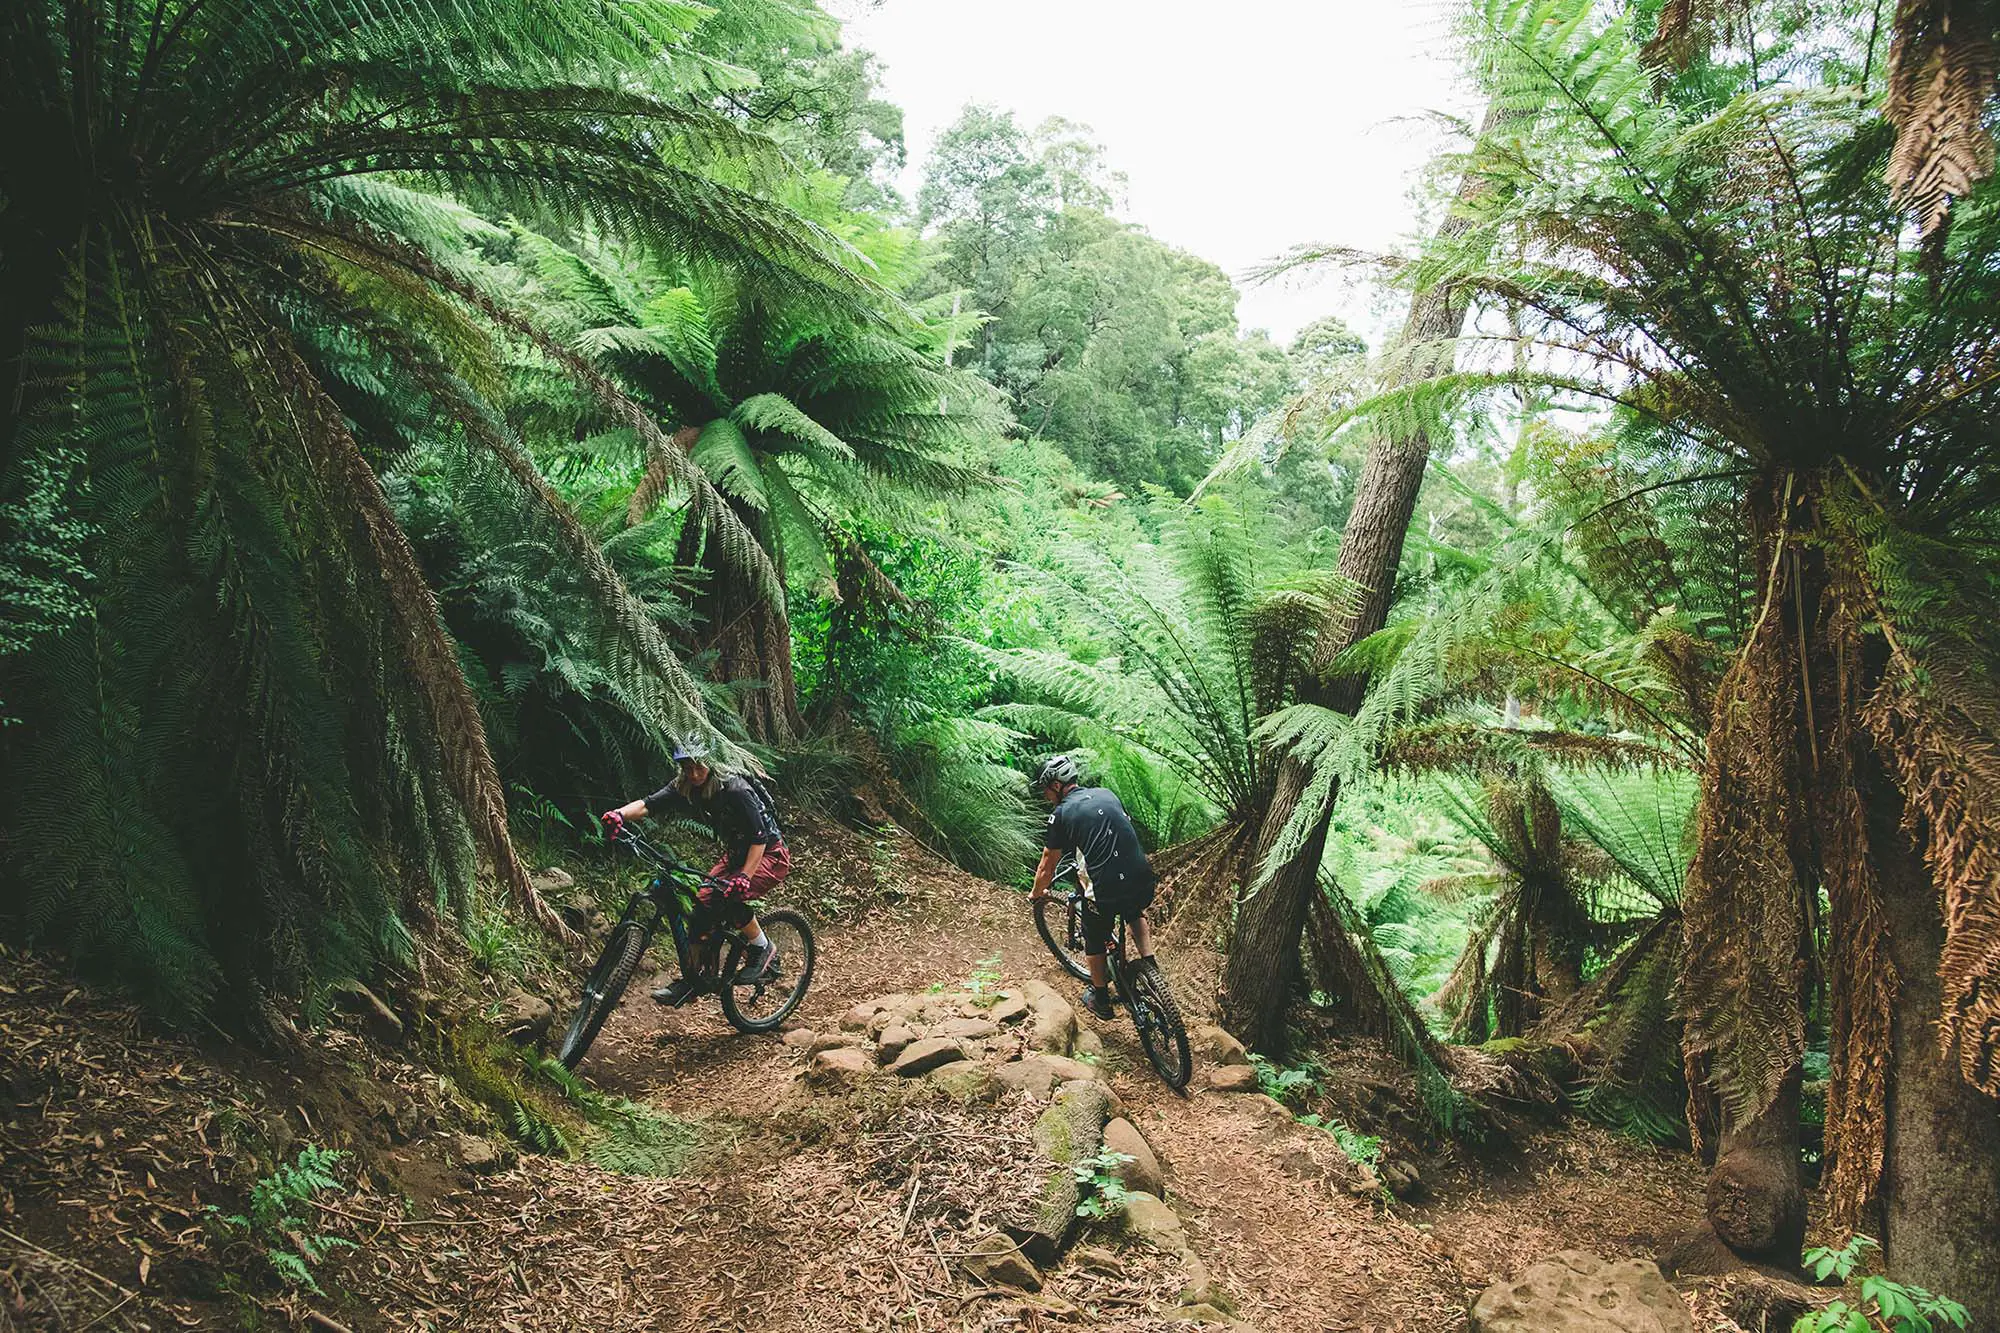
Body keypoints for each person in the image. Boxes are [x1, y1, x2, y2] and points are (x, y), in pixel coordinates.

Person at [601, 742, 790, 1004]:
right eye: (686, 767)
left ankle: (762, 947)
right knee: (703, 903)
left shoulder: (735, 789)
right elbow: (649, 805)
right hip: (737, 853)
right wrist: (618, 815)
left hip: (769, 854)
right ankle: (694, 979)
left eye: (697, 766)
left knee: (723, 894)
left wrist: (744, 877)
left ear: (710, 763)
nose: (692, 773)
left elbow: (759, 839)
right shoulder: (686, 784)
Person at [1028, 755, 1158, 1020]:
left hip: (1106, 892)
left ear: (1055, 785)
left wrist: (1036, 893)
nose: (1045, 795)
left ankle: (1101, 1000)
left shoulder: (1061, 814)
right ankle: (1150, 963)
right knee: (1133, 909)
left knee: (1094, 934)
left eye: (1045, 789)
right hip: (1143, 878)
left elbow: (1046, 866)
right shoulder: (1106, 793)